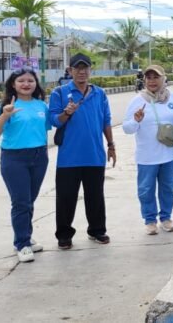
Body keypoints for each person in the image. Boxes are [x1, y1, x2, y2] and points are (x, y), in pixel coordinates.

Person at [49, 53, 116, 250]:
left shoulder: (100, 93)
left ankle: (97, 230)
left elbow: (106, 120)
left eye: (85, 68)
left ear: (90, 70)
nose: (81, 72)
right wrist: (66, 113)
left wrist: (111, 145)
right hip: (68, 157)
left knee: (95, 196)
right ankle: (64, 234)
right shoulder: (59, 93)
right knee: (66, 197)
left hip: (95, 155)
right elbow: (54, 120)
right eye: (77, 68)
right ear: (69, 71)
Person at [0, 67, 51, 262]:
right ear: (13, 84)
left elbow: (44, 131)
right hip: (14, 159)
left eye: (30, 80)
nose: (26, 84)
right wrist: (5, 115)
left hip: (39, 157)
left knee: (29, 200)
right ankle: (21, 244)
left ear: (35, 84)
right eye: (21, 80)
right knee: (21, 202)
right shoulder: (6, 106)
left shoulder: (41, 106)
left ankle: (26, 238)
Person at [123, 65, 173, 235]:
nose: (152, 81)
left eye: (155, 77)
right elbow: (127, 128)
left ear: (163, 78)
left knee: (168, 188)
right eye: (149, 77)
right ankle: (150, 220)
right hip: (147, 156)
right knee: (146, 190)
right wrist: (136, 121)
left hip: (169, 154)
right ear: (144, 80)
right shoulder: (138, 100)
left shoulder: (172, 98)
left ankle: (166, 218)